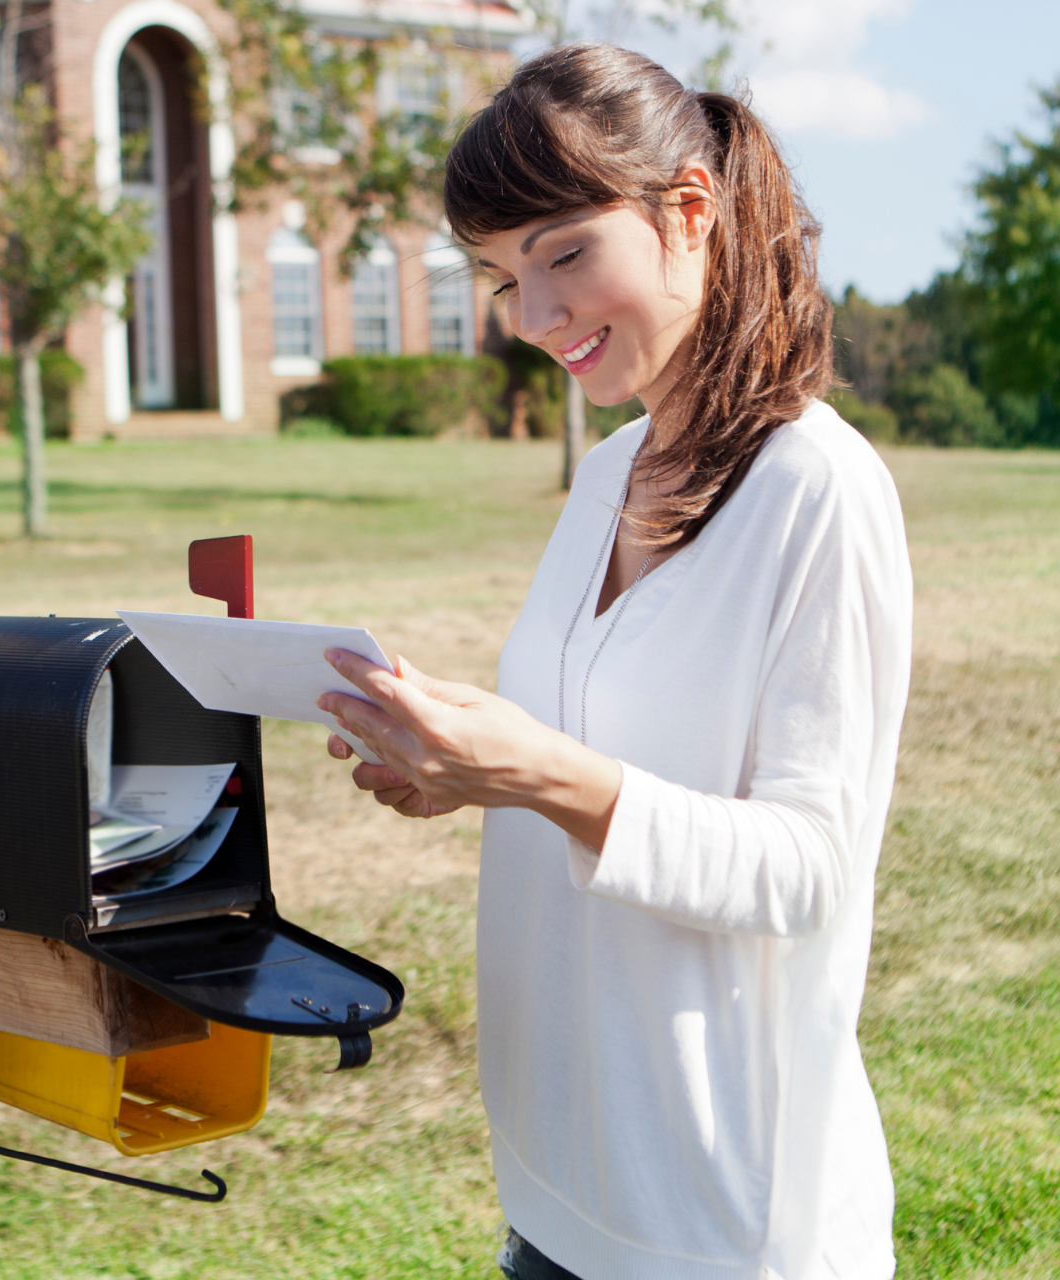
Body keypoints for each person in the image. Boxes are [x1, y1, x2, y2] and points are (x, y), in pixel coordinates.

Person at [316, 45, 913, 1280]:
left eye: (564, 254)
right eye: (498, 280)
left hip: (724, 1214)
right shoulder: (606, 475)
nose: (534, 319)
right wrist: (456, 771)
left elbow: (809, 869)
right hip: (561, 1183)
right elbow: (587, 757)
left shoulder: (821, 489)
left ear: (688, 212)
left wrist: (537, 770)